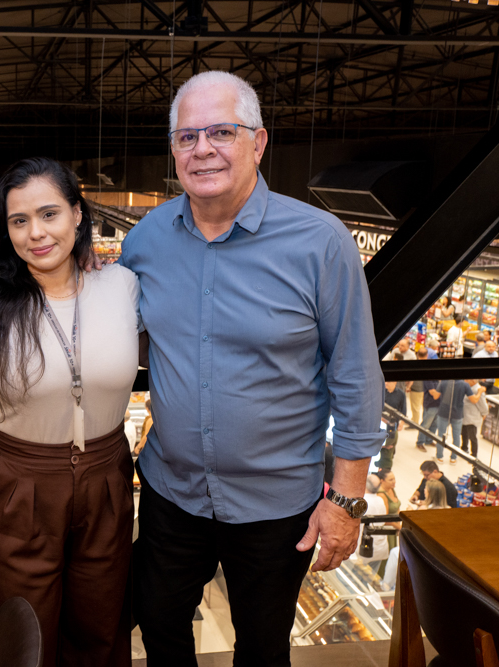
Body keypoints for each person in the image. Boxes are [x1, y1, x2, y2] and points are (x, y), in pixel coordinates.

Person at [119, 70, 384, 667]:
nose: (203, 149)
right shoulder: (146, 240)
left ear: (258, 143)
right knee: (157, 628)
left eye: (221, 132)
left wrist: (346, 501)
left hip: (277, 507)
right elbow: (125, 339)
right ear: (173, 150)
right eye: (188, 137)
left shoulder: (320, 243)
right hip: (171, 492)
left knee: (263, 648)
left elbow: (356, 376)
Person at [0, 157, 141, 666]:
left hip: (108, 478)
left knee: (100, 628)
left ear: (78, 214)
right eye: (18, 220)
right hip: (19, 484)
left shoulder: (121, 287)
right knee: (22, 635)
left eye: (50, 214)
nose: (36, 233)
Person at [433, 378, 479, 464]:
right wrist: (480, 392)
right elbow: (474, 400)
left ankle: (439, 457)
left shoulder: (444, 382)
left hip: (443, 412)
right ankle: (453, 458)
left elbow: (435, 396)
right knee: (456, 437)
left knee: (440, 435)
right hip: (457, 414)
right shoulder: (465, 385)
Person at [379, 382, 405, 469]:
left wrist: (402, 423)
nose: (386, 383)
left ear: (395, 383)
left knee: (391, 443)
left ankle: (389, 457)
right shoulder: (382, 392)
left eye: (389, 382)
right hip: (381, 423)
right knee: (385, 444)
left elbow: (403, 410)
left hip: (393, 424)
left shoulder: (401, 394)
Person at [461, 380, 488, 457]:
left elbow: (483, 404)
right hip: (465, 415)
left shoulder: (478, 390)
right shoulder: (467, 386)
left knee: (472, 436)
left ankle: (474, 454)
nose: (465, 380)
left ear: (473, 381)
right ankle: (464, 448)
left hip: (472, 418)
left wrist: (484, 413)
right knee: (464, 433)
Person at [375, 469, 401, 551]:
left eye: (394, 479)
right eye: (391, 480)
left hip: (393, 528)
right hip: (387, 531)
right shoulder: (381, 495)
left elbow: (397, 508)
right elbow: (385, 519)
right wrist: (399, 527)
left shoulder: (391, 489)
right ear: (382, 481)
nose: (394, 482)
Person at [416, 379, 442, 452]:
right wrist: (443, 392)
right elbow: (432, 392)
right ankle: (420, 442)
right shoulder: (428, 380)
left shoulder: (439, 381)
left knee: (434, 425)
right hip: (431, 405)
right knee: (426, 424)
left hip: (439, 405)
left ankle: (429, 440)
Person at [407, 348, 428, 424]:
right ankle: (422, 422)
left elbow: (412, 378)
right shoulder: (429, 364)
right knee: (424, 407)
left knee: (415, 407)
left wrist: (408, 387)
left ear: (417, 355)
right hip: (426, 389)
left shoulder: (415, 364)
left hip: (416, 389)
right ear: (427, 355)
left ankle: (414, 423)